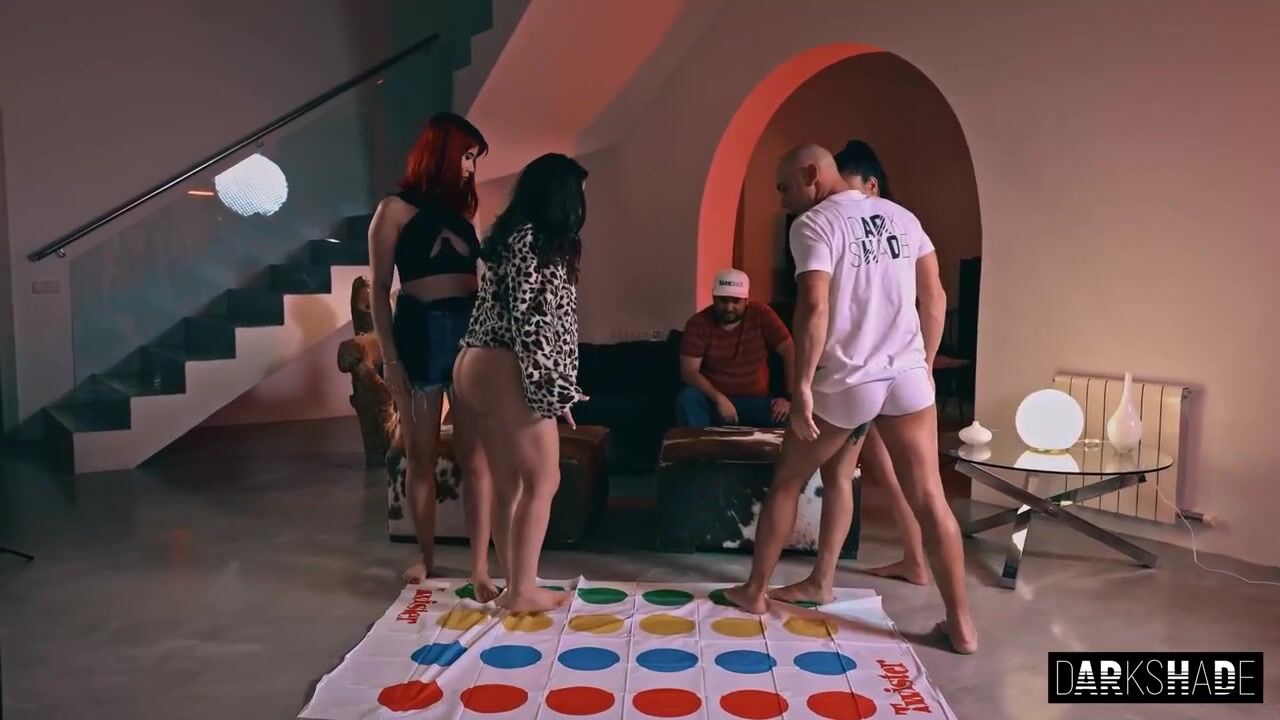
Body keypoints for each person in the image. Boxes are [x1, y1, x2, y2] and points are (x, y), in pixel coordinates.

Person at [725, 144, 977, 655]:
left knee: (788, 480)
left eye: (784, 186)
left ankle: (754, 592)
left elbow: (814, 307)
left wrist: (800, 387)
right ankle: (962, 625)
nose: (781, 198)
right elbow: (935, 298)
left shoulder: (813, 224)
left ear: (811, 174)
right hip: (906, 377)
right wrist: (923, 365)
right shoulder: (904, 217)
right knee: (927, 496)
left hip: (849, 381)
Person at [367, 112, 499, 600]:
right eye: (467, 156)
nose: (470, 167)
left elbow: (481, 281)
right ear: (443, 153)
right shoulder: (393, 210)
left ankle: (480, 568)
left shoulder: (465, 213)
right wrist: (391, 359)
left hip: (468, 334)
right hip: (418, 333)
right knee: (419, 456)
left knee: (476, 458)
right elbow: (379, 289)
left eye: (474, 159)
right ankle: (425, 556)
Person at [453, 153, 589, 613]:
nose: (582, 204)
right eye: (578, 193)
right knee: (543, 479)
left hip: (477, 362)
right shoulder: (535, 240)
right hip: (502, 365)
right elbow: (531, 322)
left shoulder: (512, 235)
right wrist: (553, 388)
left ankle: (517, 581)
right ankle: (523, 591)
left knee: (509, 484)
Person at [831, 140, 928, 585]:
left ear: (871, 186)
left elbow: (933, 297)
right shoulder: (903, 227)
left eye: (847, 188)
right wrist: (922, 364)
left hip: (866, 372)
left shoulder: (889, 226)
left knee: (846, 470)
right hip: (895, 371)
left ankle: (822, 578)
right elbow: (933, 298)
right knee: (897, 475)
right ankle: (915, 560)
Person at [677, 269, 794, 428]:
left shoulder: (761, 314)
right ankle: (700, 443)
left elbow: (790, 350)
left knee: (789, 415)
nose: (729, 307)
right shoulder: (698, 323)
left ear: (746, 300)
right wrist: (719, 399)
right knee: (688, 398)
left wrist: (790, 399)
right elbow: (689, 372)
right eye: (723, 301)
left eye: (735, 301)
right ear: (714, 298)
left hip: (757, 400)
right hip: (714, 399)